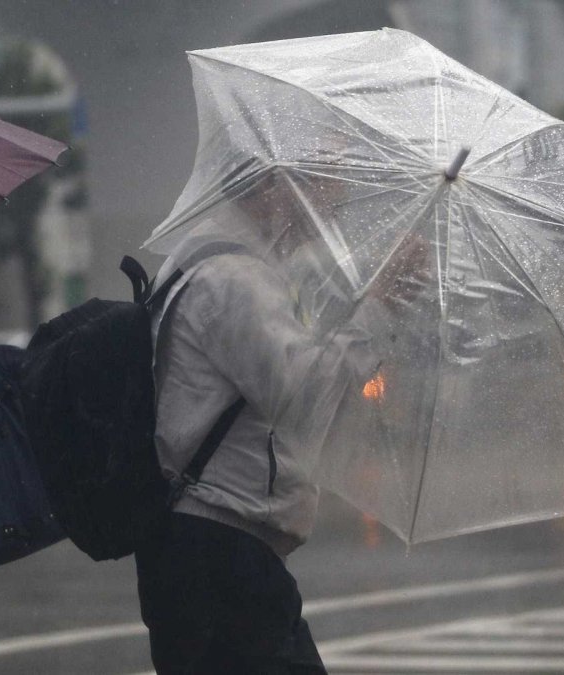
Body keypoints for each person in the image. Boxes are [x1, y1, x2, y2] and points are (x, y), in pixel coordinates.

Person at [138, 169, 425, 674]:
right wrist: (378, 307)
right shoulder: (234, 280)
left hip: (210, 553)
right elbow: (305, 397)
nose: (335, 196)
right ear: (269, 187)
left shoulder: (213, 263)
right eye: (319, 181)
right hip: (220, 559)